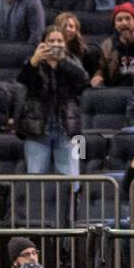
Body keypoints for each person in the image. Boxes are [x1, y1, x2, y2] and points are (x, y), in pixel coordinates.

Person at [17, 25, 89, 176]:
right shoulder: (34, 61)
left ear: (65, 44)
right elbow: (22, 80)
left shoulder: (72, 60)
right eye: (51, 41)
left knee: (71, 177)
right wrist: (35, 60)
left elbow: (83, 80)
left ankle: (71, 201)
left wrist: (62, 61)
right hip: (37, 130)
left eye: (59, 41)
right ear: (43, 43)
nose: (56, 44)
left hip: (68, 130)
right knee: (36, 178)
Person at [91, 2, 134, 88]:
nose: (124, 23)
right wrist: (98, 76)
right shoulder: (107, 46)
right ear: (115, 25)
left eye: (128, 19)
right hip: (115, 90)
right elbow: (102, 68)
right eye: (119, 20)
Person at [55, 12, 100, 78]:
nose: (68, 29)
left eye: (71, 26)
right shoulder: (51, 50)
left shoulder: (85, 51)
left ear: (76, 30)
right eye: (64, 26)